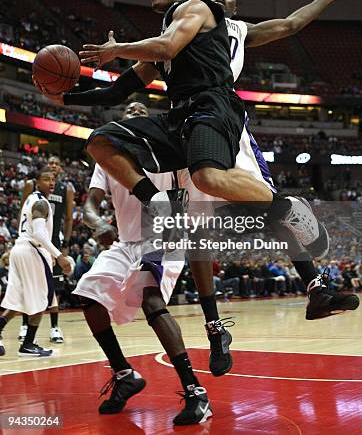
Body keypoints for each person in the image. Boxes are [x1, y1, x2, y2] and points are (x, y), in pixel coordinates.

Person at [176, 0, 360, 321]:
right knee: (197, 213)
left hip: (223, 114)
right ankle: (195, 304)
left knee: (266, 204)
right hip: (191, 108)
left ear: (235, 8)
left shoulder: (243, 30)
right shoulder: (197, 10)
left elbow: (293, 24)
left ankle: (314, 285)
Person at [74, 102, 212, 426]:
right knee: (86, 295)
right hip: (124, 242)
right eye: (128, 108)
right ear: (120, 123)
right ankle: (125, 374)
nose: (135, 106)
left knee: (150, 298)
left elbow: (186, 199)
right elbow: (89, 208)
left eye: (141, 106)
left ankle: (196, 392)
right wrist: (98, 225)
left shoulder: (168, 150)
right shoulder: (108, 155)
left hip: (165, 237)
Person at [0, 167, 71, 358]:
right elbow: (39, 233)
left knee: (18, 299)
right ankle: (28, 344)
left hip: (20, 249)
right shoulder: (41, 202)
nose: (52, 182)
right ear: (36, 182)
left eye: (54, 179)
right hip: (32, 251)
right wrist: (59, 256)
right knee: (44, 297)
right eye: (47, 179)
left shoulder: (30, 200)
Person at [19, 155, 74, 344]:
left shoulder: (65, 189)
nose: (54, 166)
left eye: (57, 164)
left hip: (53, 241)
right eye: (51, 163)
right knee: (30, 284)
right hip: (34, 240)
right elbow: (23, 211)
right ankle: (25, 325)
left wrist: (65, 245)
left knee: (55, 287)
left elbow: (68, 218)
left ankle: (54, 327)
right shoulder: (32, 187)